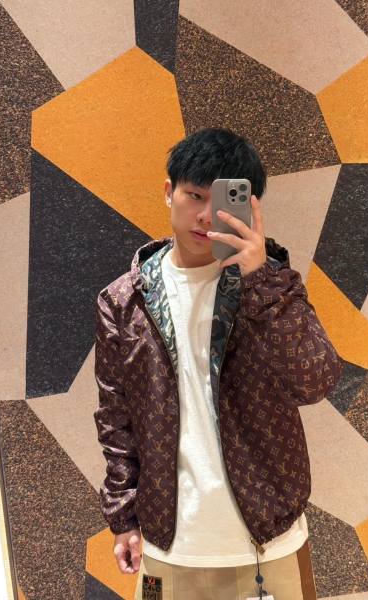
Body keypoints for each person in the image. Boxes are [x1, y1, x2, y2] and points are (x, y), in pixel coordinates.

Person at [94, 127, 343, 600]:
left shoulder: (271, 287)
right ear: (169, 192)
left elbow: (316, 381)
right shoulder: (123, 302)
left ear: (249, 207)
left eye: (223, 201)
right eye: (194, 195)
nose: (206, 216)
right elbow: (116, 417)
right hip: (170, 545)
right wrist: (122, 516)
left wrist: (261, 278)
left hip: (269, 542)